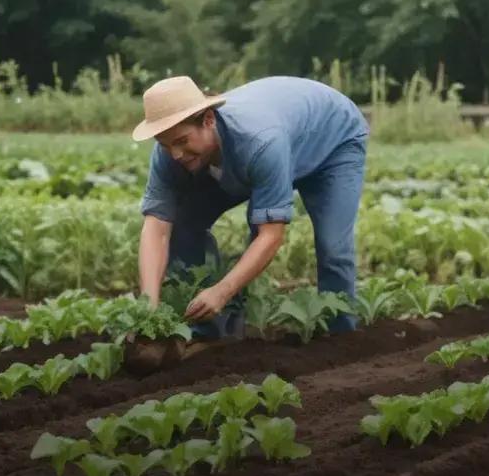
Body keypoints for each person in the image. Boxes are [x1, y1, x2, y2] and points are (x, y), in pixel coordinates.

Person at [132, 75, 368, 338]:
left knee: (332, 246)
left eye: (182, 142)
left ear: (208, 120)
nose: (175, 154)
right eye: (165, 145)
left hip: (332, 139)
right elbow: (156, 228)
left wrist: (223, 291)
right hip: (267, 142)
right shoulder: (171, 152)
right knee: (183, 224)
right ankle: (202, 327)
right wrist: (148, 305)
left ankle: (340, 336)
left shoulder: (259, 142)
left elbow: (271, 235)